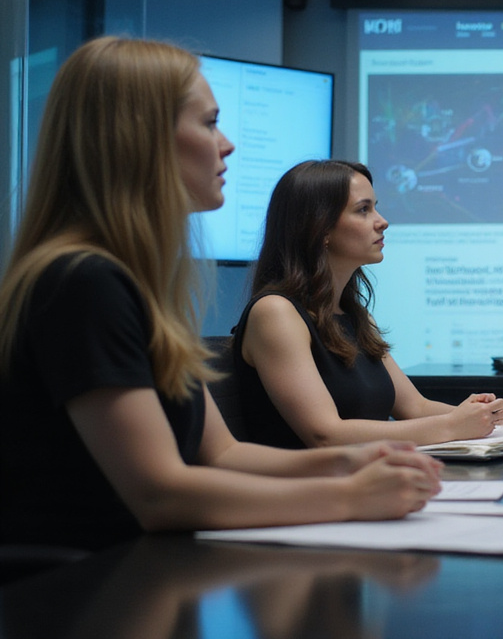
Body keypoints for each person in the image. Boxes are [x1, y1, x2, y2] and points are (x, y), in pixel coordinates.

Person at [0, 37, 443, 553]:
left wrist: (353, 459)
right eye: (210, 123)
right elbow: (158, 494)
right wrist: (349, 496)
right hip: (81, 586)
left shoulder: (133, 284)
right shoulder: (82, 282)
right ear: (139, 138)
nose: (227, 144)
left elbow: (225, 455)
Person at [232, 159, 503, 449]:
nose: (382, 221)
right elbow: (325, 434)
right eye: (363, 210)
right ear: (320, 227)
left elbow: (415, 407)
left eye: (374, 207)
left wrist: (483, 417)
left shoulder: (356, 316)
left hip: (367, 474)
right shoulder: (275, 312)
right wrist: (452, 425)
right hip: (314, 479)